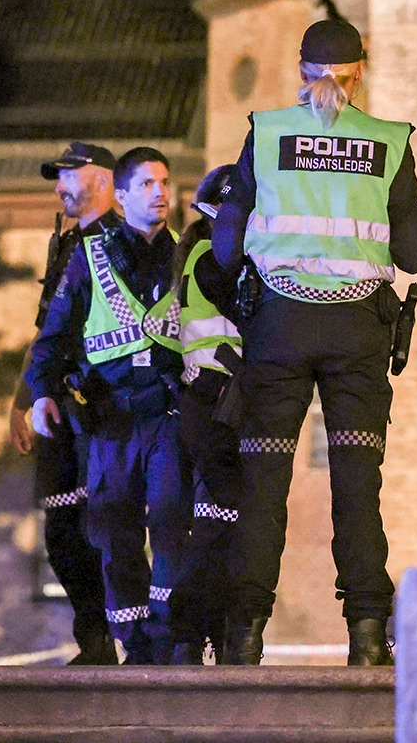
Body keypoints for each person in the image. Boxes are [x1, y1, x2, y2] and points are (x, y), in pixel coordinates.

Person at [212, 17, 417, 666]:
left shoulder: (269, 131)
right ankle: (367, 633)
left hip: (278, 327)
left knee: (263, 481)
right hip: (358, 328)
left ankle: (245, 634)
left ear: (301, 73)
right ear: (360, 71)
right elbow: (415, 254)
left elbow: (226, 243)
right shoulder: (389, 143)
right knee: (357, 483)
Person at [25, 147, 188, 664]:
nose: (159, 192)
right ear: (120, 195)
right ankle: (133, 643)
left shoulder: (186, 255)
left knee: (167, 523)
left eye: (164, 183)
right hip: (110, 416)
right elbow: (54, 334)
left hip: (166, 412)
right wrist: (40, 394)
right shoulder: (89, 256)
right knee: (115, 535)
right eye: (146, 184)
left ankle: (163, 636)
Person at [9, 142, 121, 665]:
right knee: (62, 532)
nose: (58, 188)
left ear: (99, 179)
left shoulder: (125, 240)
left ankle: (131, 640)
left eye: (67, 178)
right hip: (59, 407)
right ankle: (94, 641)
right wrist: (24, 398)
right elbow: (46, 330)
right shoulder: (67, 243)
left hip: (106, 408)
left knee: (104, 529)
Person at [166, 164, 246, 664]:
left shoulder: (194, 257)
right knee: (225, 525)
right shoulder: (216, 260)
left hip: (206, 402)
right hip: (222, 404)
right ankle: (194, 630)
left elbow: (162, 328)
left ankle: (202, 633)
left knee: (221, 524)